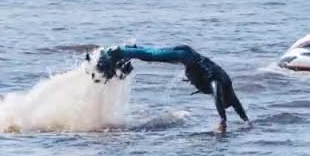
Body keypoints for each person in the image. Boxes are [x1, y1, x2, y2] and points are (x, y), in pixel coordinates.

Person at [95, 44, 249, 132]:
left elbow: (238, 106)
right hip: (188, 58)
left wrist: (247, 122)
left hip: (189, 56)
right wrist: (223, 119)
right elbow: (217, 95)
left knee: (156, 55)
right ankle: (119, 52)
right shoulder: (218, 84)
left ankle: (128, 52)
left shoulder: (229, 89)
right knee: (154, 56)